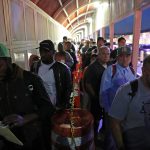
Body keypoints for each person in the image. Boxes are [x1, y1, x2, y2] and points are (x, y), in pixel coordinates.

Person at [0, 43, 55, 150]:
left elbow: (48, 108)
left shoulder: (30, 79)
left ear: (9, 61)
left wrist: (25, 119)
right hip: (9, 142)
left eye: (0, 65)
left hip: (33, 140)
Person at [109, 55, 150, 150]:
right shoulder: (127, 90)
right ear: (143, 70)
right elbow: (114, 121)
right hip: (133, 144)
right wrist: (120, 146)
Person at [100, 46, 136, 150]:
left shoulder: (132, 71)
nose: (124, 59)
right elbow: (103, 92)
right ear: (117, 57)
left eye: (127, 56)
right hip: (112, 113)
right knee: (111, 138)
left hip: (127, 113)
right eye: (121, 56)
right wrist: (107, 112)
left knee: (123, 136)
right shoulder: (111, 70)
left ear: (130, 57)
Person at [31, 40, 72, 109]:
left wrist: (63, 106)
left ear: (53, 52)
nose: (42, 54)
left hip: (57, 109)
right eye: (41, 51)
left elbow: (68, 89)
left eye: (46, 51)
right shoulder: (35, 67)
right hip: (41, 109)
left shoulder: (63, 69)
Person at [83, 46, 111, 144]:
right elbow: (88, 84)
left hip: (107, 98)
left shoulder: (109, 65)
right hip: (97, 99)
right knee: (96, 118)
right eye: (103, 54)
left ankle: (103, 133)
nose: (106, 56)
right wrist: (95, 97)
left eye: (108, 54)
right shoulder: (92, 67)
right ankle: (94, 137)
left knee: (106, 117)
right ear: (98, 55)